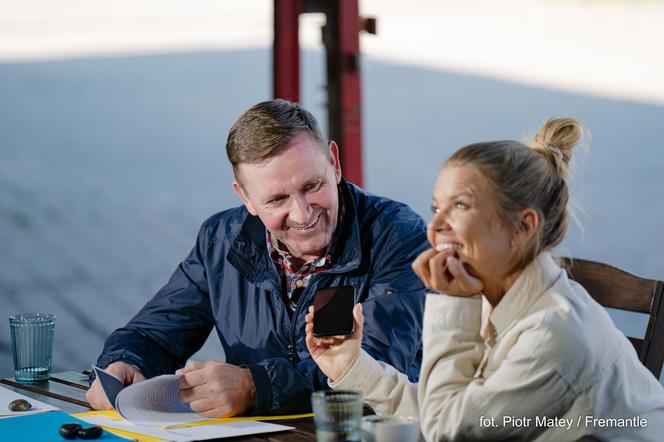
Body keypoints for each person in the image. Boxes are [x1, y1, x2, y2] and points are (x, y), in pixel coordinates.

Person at [305, 118, 664, 440]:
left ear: (523, 226)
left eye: (460, 206)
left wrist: (453, 305)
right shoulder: (496, 296)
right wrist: (351, 366)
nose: (435, 227)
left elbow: (449, 430)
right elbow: (450, 410)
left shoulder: (553, 333)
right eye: (436, 208)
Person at [85, 99, 428, 416]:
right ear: (245, 198)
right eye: (277, 199)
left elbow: (376, 367)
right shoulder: (221, 239)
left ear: (334, 165)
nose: (302, 213)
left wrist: (255, 387)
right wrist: (125, 363)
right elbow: (153, 335)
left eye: (312, 186)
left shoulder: (397, 235)